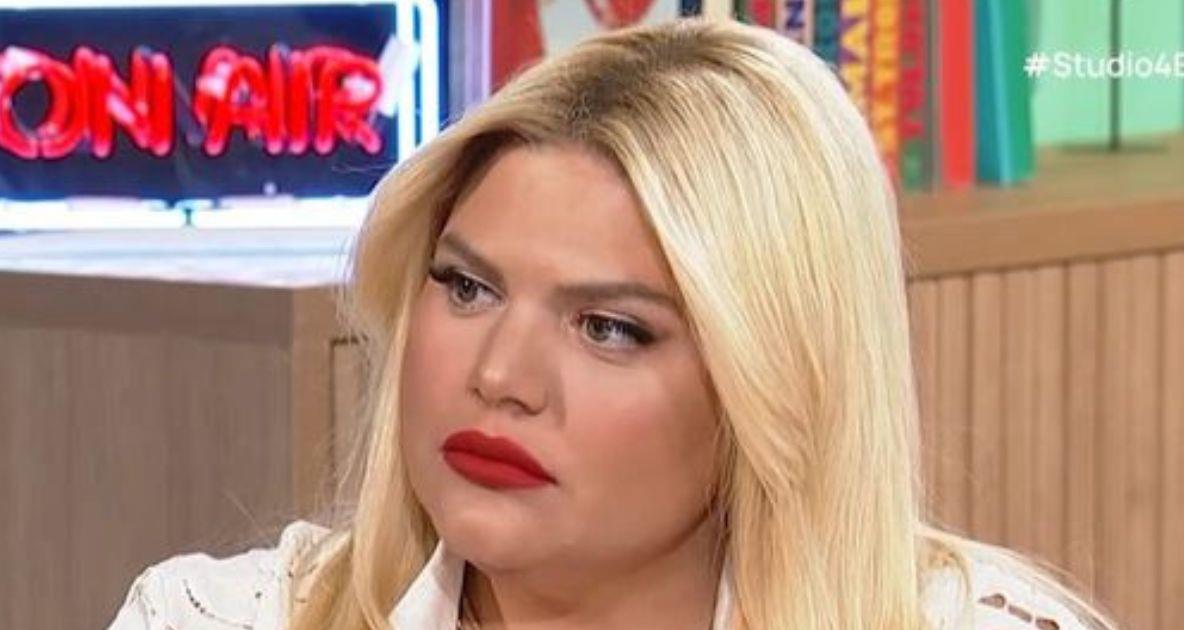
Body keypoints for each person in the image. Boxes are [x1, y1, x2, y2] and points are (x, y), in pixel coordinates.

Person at [108, 17, 1121, 630]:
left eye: (609, 328)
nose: (501, 375)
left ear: (771, 381)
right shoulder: (216, 618)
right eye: (467, 288)